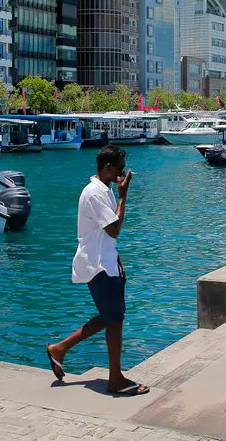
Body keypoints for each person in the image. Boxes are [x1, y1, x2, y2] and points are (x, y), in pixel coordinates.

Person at [45, 145, 149, 395]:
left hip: (105, 261)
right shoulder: (95, 193)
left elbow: (106, 236)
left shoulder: (104, 189)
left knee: (110, 315)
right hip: (97, 265)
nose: (122, 175)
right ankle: (115, 379)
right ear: (108, 167)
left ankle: (60, 348)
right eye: (120, 169)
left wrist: (117, 259)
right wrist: (124, 195)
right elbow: (113, 229)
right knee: (114, 319)